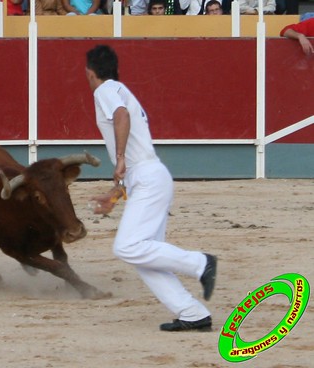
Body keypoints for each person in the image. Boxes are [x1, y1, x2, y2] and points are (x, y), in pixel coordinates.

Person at [85, 45, 217, 332]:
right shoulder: (119, 88)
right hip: (149, 176)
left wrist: (119, 159)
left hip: (148, 177)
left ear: (90, 71)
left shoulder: (105, 89)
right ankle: (192, 313)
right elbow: (133, 152)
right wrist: (116, 192)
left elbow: (121, 117)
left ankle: (200, 263)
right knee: (146, 256)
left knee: (127, 246)